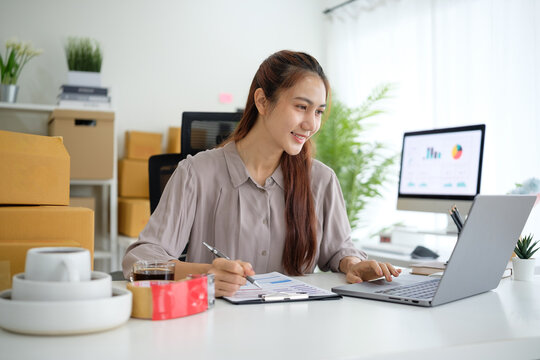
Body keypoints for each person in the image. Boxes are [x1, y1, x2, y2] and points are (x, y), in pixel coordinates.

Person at [122, 50, 401, 297]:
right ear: (262, 101)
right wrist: (205, 274)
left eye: (318, 112)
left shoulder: (321, 180)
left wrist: (353, 264)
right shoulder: (196, 174)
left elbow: (339, 251)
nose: (311, 123)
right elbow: (139, 262)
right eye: (301, 107)